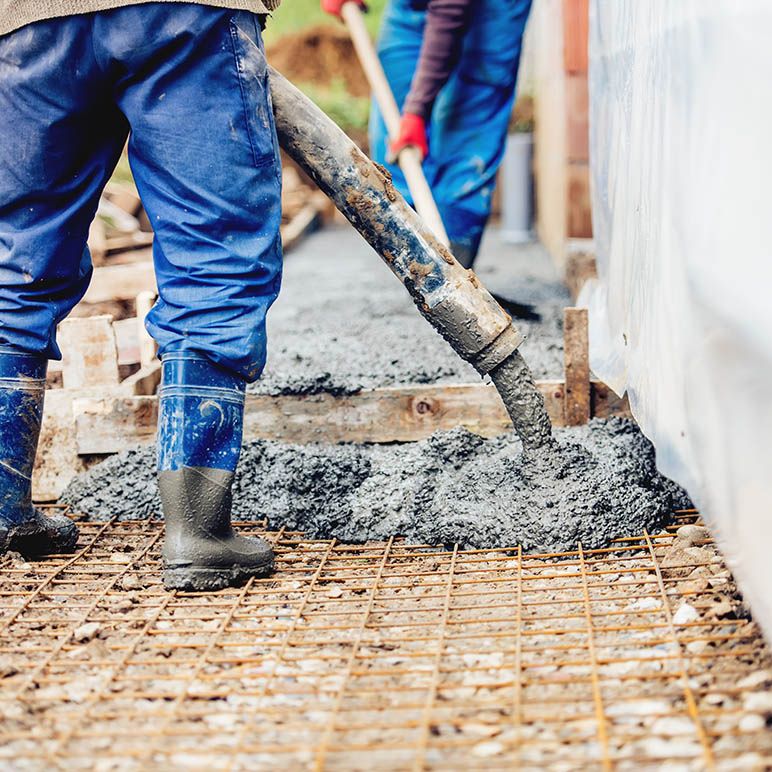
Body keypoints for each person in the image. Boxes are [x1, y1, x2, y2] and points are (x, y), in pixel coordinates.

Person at [0, 2, 284, 591]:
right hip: (182, 13)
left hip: (27, 22)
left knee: (14, 258)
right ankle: (199, 535)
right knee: (216, 250)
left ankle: (4, 506)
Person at [322, 0, 533, 268]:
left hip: (493, 9)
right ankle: (417, 268)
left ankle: (455, 268)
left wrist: (417, 111)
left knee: (467, 131)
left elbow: (450, 7)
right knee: (393, 134)